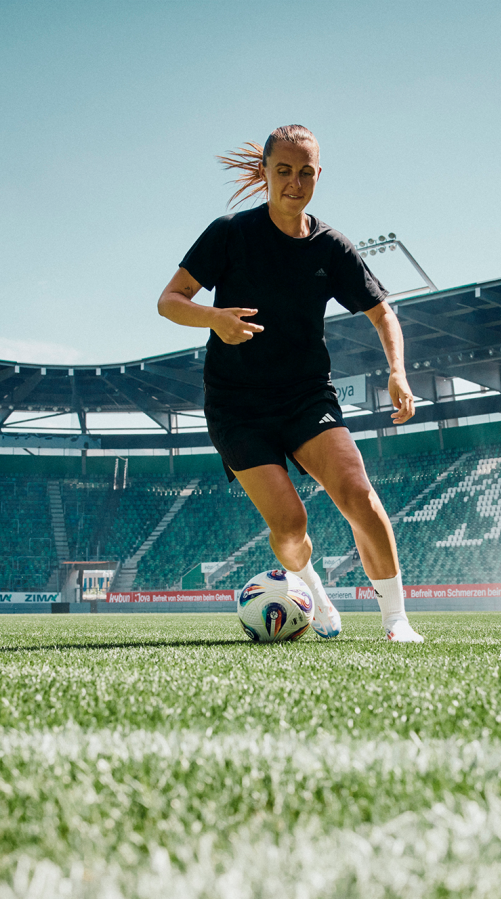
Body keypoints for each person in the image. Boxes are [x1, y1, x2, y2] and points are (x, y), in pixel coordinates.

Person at [156, 124, 423, 643]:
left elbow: (382, 312)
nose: (294, 182)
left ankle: (396, 620)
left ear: (318, 175)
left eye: (305, 172)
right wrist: (215, 319)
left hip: (305, 396)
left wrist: (397, 371)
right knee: (290, 524)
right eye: (283, 171)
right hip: (237, 406)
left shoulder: (330, 247)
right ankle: (310, 590)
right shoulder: (230, 232)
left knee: (358, 494)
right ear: (265, 172)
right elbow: (170, 299)